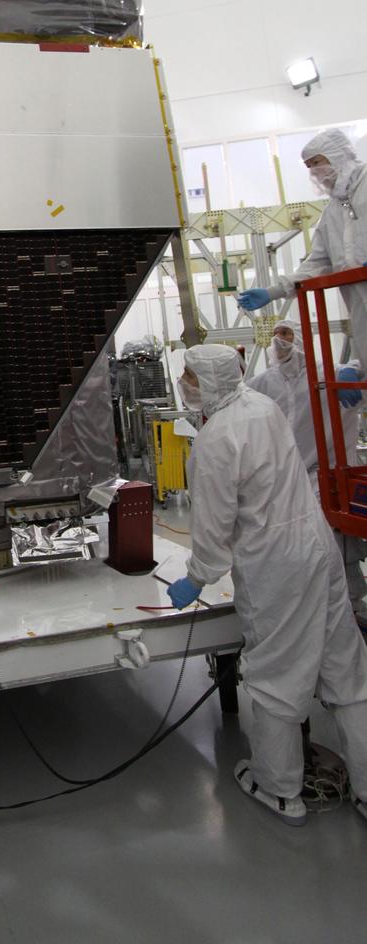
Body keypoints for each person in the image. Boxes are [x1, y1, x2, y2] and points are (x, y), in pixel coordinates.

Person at [167, 344, 367, 826]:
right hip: (317, 546)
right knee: (348, 671)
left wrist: (196, 578)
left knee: (277, 676)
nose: (185, 384)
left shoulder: (215, 442)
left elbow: (214, 532)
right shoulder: (263, 405)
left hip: (275, 564)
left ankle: (280, 789)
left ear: (209, 381)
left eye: (190, 377)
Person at [246, 322, 367, 620]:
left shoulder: (331, 375)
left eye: (286, 333)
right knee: (298, 553)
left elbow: (363, 371)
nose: (279, 340)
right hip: (286, 482)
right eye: (276, 334)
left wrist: (354, 367)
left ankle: (351, 609)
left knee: (338, 549)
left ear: (301, 336)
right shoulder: (265, 382)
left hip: (327, 478)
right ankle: (315, 613)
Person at [237, 128, 366, 388]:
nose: (315, 173)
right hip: (360, 306)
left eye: (317, 163)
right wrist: (274, 290)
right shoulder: (332, 212)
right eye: (309, 167)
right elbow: (317, 263)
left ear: (337, 154)